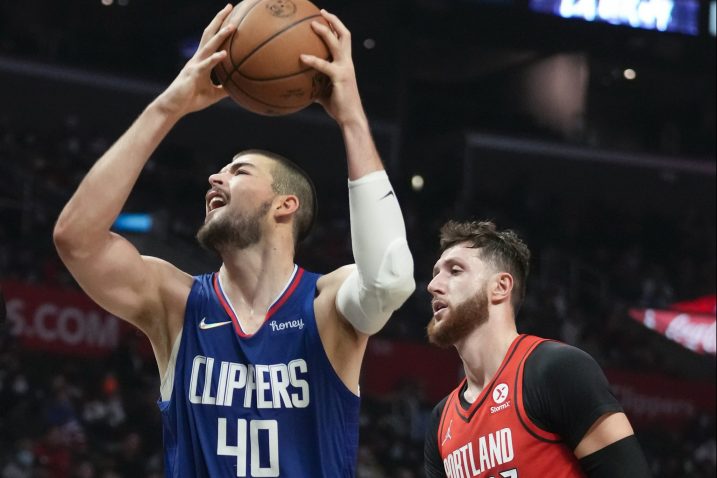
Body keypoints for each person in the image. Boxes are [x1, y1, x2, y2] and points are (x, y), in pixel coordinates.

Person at [53, 5, 415, 477]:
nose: (213, 178)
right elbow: (76, 240)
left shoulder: (326, 305)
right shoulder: (177, 304)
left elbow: (389, 278)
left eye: (238, 171)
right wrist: (171, 105)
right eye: (219, 170)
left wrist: (350, 118)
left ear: (286, 205)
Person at [423, 220, 651, 478]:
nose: (433, 286)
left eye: (454, 270)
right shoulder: (441, 422)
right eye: (435, 273)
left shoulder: (557, 370)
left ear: (500, 287)